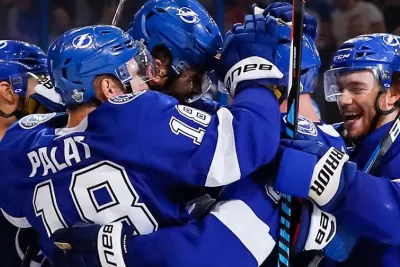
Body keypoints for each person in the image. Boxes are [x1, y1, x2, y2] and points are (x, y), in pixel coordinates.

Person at [0, 20, 285, 266]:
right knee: (268, 185)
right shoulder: (132, 114)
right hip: (167, 255)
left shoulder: (19, 147)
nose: (145, 83)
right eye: (135, 73)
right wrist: (254, 76)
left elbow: (16, 213)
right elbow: (246, 143)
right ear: (110, 88)